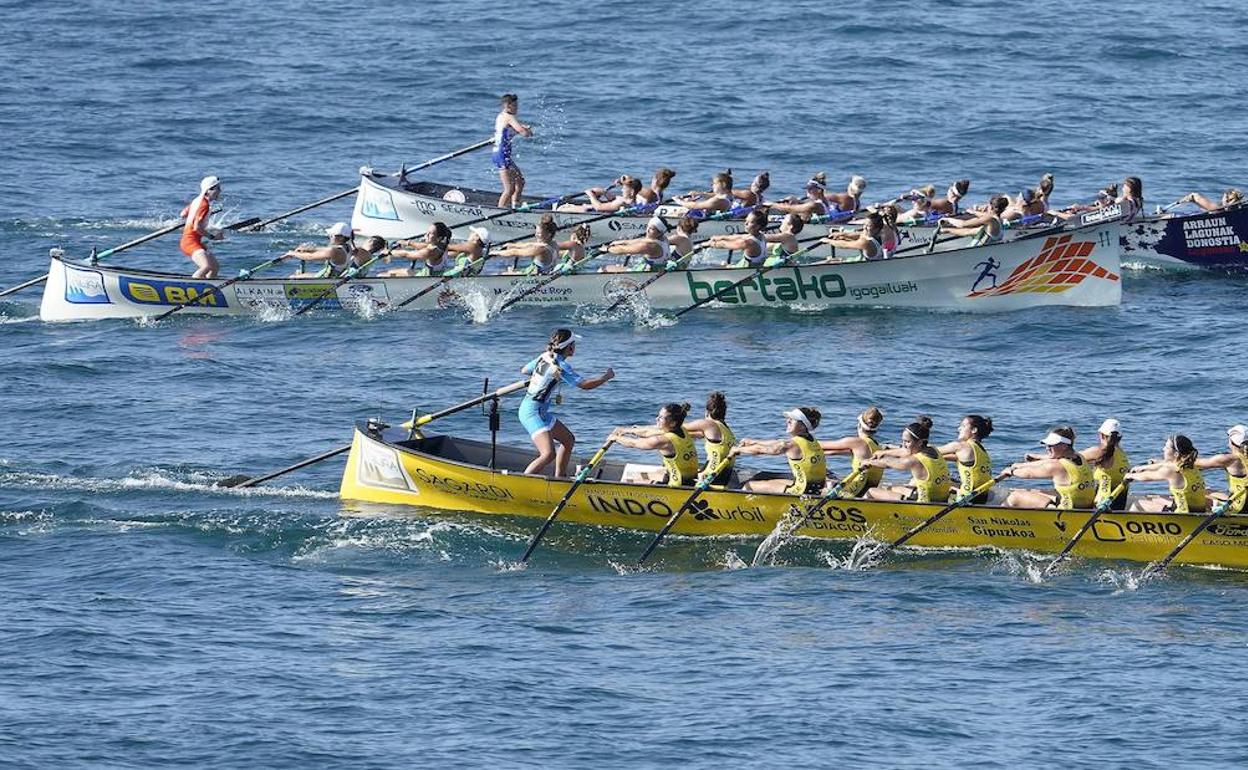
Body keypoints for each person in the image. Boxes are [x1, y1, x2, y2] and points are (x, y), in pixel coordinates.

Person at [519, 329, 614, 477]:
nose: (575, 347)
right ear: (569, 348)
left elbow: (525, 370)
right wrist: (606, 377)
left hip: (539, 412)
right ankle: (522, 482)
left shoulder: (544, 357)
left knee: (568, 440)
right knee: (548, 454)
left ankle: (560, 477)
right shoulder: (561, 366)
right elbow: (585, 385)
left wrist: (541, 378)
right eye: (574, 344)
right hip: (531, 413)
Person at [616, 391, 737, 487]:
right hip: (722, 476)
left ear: (707, 412)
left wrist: (628, 431)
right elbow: (696, 435)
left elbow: (669, 429)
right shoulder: (727, 431)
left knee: (631, 478)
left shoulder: (708, 424)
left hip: (708, 479)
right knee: (661, 471)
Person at [731, 407, 827, 495]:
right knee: (769, 481)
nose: (787, 421)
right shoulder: (811, 440)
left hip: (801, 491)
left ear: (802, 426)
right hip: (815, 488)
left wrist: (738, 449)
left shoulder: (792, 445)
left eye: (792, 420)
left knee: (749, 485)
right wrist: (752, 441)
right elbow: (778, 442)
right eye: (788, 418)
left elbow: (761, 450)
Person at [1001, 426, 1095, 509]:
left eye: (1051, 445)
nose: (1047, 448)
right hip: (1083, 504)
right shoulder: (1079, 457)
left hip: (1067, 510)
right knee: (1036, 491)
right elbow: (1051, 461)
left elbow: (1029, 473)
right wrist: (1021, 464)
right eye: (1046, 445)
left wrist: (1011, 471)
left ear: (1064, 446)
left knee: (1015, 496)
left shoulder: (1056, 466)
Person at [610, 403, 701, 487]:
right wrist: (626, 430)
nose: (656, 419)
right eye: (658, 415)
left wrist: (615, 438)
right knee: (634, 475)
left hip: (676, 484)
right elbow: (647, 431)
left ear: (673, 423)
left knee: (629, 478)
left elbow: (634, 443)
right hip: (689, 477)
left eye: (661, 417)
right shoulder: (682, 429)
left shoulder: (664, 440)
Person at [863, 417, 952, 502]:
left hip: (925, 503)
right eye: (903, 441)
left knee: (871, 492)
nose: (904, 444)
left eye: (907, 442)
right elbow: (905, 451)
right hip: (942, 498)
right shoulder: (933, 449)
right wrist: (883, 452)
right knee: (891, 488)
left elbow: (888, 463)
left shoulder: (914, 461)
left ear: (920, 442)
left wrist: (869, 462)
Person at [1125, 434, 1207, 513]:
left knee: (1138, 503)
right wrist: (1141, 468)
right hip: (1198, 510)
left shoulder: (1171, 471)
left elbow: (1147, 477)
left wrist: (1131, 475)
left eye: (1166, 447)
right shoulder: (1190, 465)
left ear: (1176, 454)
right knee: (1154, 499)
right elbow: (1163, 464)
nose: (1163, 449)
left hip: (1182, 515)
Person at [818, 406, 886, 498]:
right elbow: (836, 451)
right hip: (865, 490)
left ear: (859, 425)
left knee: (819, 484)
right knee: (830, 477)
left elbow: (818, 445)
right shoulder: (877, 446)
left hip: (854, 491)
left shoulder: (856, 442)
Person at [935, 415, 994, 504]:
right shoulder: (982, 450)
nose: (959, 429)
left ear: (974, 430)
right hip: (982, 497)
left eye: (963, 426)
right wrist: (942, 458)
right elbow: (960, 459)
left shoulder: (961, 446)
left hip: (966, 498)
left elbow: (929, 452)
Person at [493, 94, 534, 208]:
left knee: (520, 182)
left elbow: (510, 130)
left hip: (503, 154)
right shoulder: (509, 117)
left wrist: (521, 129)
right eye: (515, 105)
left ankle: (515, 205)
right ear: (507, 106)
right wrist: (527, 131)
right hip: (501, 155)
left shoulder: (501, 116)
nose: (517, 108)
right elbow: (524, 133)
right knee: (509, 189)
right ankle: (499, 211)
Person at [1079, 418, 1130, 510]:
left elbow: (1069, 458)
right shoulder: (1122, 454)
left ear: (1101, 435)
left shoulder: (1098, 452)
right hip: (1120, 502)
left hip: (1102, 503)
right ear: (1120, 438)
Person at [181, 175, 225, 278]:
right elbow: (197, 227)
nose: (220, 191)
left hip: (193, 240)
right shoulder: (204, 205)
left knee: (215, 267)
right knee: (206, 266)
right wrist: (212, 237)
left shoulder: (197, 200)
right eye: (217, 188)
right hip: (190, 242)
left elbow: (182, 214)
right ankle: (191, 288)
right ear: (208, 190)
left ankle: (209, 288)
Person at [1197, 424, 1248, 512]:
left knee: (1198, 494)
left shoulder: (1229, 459)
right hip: (1241, 499)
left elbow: (1196, 464)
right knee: (1208, 491)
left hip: (1239, 508)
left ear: (1231, 442)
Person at [379, 222, 452, 277]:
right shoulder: (443, 245)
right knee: (391, 271)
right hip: (434, 274)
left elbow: (406, 254)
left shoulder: (430, 252)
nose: (426, 235)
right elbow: (422, 245)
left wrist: (389, 252)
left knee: (383, 275)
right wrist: (408, 243)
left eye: (430, 234)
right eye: (427, 232)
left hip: (426, 278)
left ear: (439, 238)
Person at [495, 215, 561, 275]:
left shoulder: (541, 249)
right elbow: (529, 244)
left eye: (538, 233)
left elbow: (515, 252)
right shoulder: (553, 243)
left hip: (535, 278)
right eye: (536, 233)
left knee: (500, 274)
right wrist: (513, 245)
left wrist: (496, 253)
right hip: (542, 274)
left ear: (548, 235)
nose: (536, 235)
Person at [285, 222, 355, 278]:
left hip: (326, 280)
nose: (330, 236)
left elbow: (310, 257)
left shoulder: (334, 251)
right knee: (299, 274)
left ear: (341, 238)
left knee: (292, 277)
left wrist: (293, 254)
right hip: (333, 277)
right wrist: (306, 249)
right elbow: (321, 249)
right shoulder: (347, 247)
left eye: (332, 235)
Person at [601, 217, 671, 272]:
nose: (647, 230)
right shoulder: (664, 238)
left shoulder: (650, 246)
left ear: (660, 232)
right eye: (647, 226)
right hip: (656, 270)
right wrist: (623, 242)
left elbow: (622, 250)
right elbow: (641, 240)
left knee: (604, 269)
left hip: (644, 275)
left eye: (652, 229)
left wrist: (607, 249)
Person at [703, 209, 769, 267]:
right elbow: (737, 236)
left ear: (757, 226)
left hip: (745, 271)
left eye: (750, 222)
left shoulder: (749, 243)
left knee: (714, 264)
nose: (745, 223)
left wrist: (708, 244)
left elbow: (724, 245)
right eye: (746, 220)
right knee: (723, 263)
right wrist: (719, 237)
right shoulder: (761, 235)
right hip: (754, 267)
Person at [934, 195, 1008, 245]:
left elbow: (962, 224)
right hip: (983, 254)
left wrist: (948, 219)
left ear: (991, 207)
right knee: (977, 230)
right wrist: (947, 230)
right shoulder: (999, 221)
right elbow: (967, 232)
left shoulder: (990, 220)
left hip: (974, 253)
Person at [767, 173, 835, 221]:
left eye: (810, 189)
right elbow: (805, 205)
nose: (807, 191)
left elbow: (790, 209)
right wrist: (797, 201)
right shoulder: (825, 201)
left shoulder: (815, 205)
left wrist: (772, 205)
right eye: (807, 189)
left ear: (819, 190)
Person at [562, 177, 643, 213]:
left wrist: (591, 195)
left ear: (632, 192)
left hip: (594, 211)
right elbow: (613, 198)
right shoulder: (632, 201)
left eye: (624, 188)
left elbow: (599, 207)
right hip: (599, 210)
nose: (622, 190)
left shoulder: (621, 202)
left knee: (562, 209)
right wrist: (603, 192)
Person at [1179, 188, 1244, 213]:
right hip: (1214, 210)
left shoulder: (1238, 207)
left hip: (1216, 210)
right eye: (1227, 199)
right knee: (1194, 195)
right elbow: (1194, 196)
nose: (1228, 201)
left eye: (1230, 200)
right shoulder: (1216, 208)